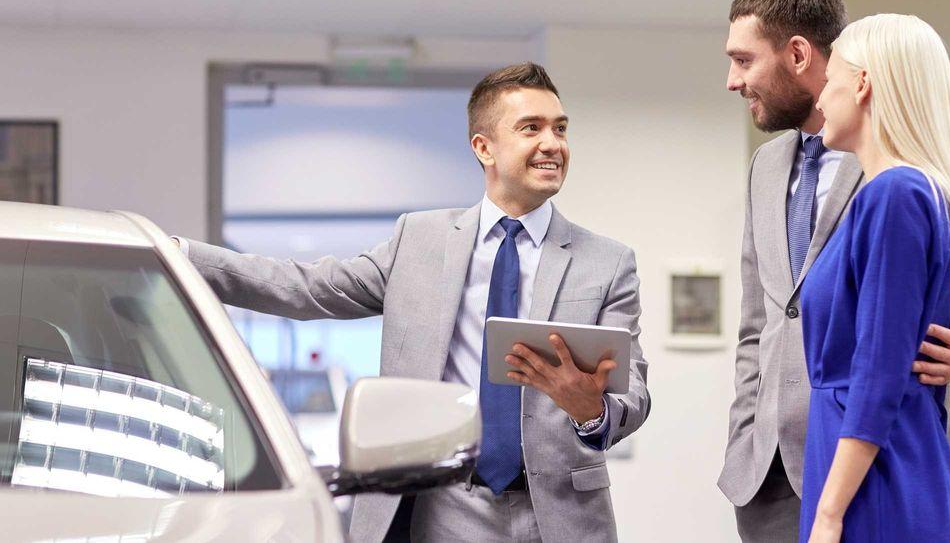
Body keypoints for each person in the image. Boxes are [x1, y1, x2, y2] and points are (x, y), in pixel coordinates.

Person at [175, 62, 649, 542]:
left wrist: (591, 410)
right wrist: (178, 257)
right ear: (483, 148)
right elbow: (311, 287)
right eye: (531, 128)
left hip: (560, 516)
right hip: (441, 510)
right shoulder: (420, 242)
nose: (553, 144)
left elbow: (633, 396)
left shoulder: (607, 263)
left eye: (560, 128)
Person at [719, 0, 950, 540]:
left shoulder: (924, 160)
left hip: (876, 457)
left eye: (743, 60)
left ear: (799, 55)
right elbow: (761, 322)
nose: (733, 80)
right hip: (766, 475)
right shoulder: (765, 166)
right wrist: (746, 432)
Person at [800, 13, 950, 542]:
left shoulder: (897, 195)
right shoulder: (908, 192)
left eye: (831, 79)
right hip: (875, 467)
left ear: (861, 84)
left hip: (877, 483)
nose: (820, 99)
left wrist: (829, 512)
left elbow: (879, 374)